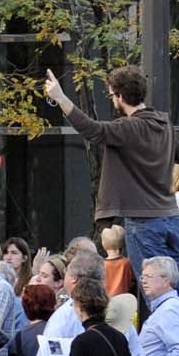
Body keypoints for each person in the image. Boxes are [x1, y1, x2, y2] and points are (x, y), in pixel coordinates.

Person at [45, 65, 179, 275]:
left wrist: (61, 97)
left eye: (111, 96)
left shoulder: (128, 127)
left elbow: (92, 129)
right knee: (172, 289)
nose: (112, 100)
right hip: (171, 217)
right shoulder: (166, 126)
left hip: (143, 221)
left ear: (121, 96)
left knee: (156, 290)